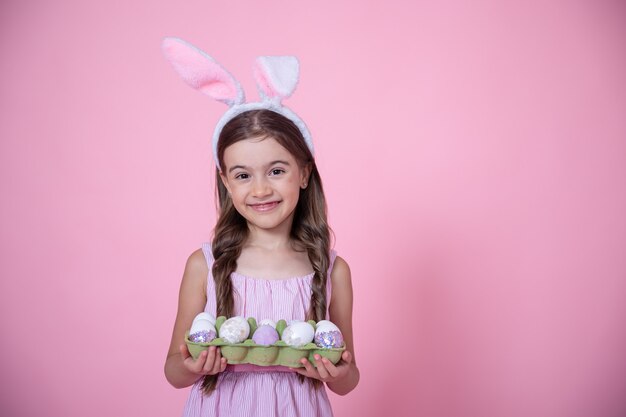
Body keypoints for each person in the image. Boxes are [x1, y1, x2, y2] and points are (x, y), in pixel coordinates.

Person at [161, 37, 359, 416]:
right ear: (226, 181)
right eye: (243, 175)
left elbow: (349, 379)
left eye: (277, 170)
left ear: (304, 173)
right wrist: (190, 366)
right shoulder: (205, 264)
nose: (261, 189)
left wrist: (338, 372)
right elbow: (173, 369)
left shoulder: (334, 269)